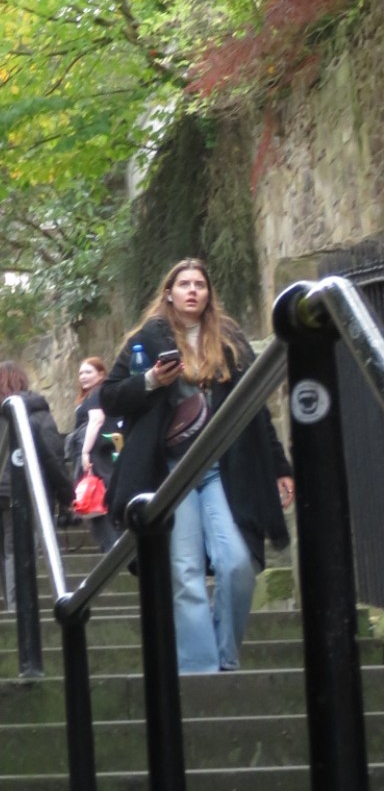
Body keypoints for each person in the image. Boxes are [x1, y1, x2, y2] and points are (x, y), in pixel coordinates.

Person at [100, 257, 294, 674]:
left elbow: (254, 407)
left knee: (237, 563)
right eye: (184, 284)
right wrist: (152, 380)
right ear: (169, 292)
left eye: (200, 285)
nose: (192, 291)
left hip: (225, 468)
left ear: (209, 294)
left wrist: (280, 466)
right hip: (171, 472)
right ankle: (200, 669)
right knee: (184, 571)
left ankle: (225, 656)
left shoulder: (229, 339)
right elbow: (110, 398)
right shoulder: (146, 338)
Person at [0, 362, 73, 608]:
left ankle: (11, 605)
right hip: (24, 490)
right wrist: (67, 496)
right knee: (19, 552)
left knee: (4, 554)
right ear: (24, 383)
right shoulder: (38, 415)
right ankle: (18, 610)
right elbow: (53, 458)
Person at [68, 356, 119, 553]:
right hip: (104, 453)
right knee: (98, 501)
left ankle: (112, 549)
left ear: (101, 374)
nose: (83, 376)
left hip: (97, 455)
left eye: (88, 372)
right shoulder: (97, 394)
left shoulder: (97, 394)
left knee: (96, 501)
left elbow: (96, 420)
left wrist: (85, 451)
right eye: (80, 372)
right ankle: (111, 547)